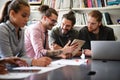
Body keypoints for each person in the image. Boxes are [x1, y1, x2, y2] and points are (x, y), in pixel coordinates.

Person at [0, 0, 52, 67]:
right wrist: (34, 62)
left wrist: (32, 61)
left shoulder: (21, 30)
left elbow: (23, 55)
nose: (27, 19)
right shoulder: (2, 29)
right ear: (12, 14)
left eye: (28, 16)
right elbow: (8, 60)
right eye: (24, 16)